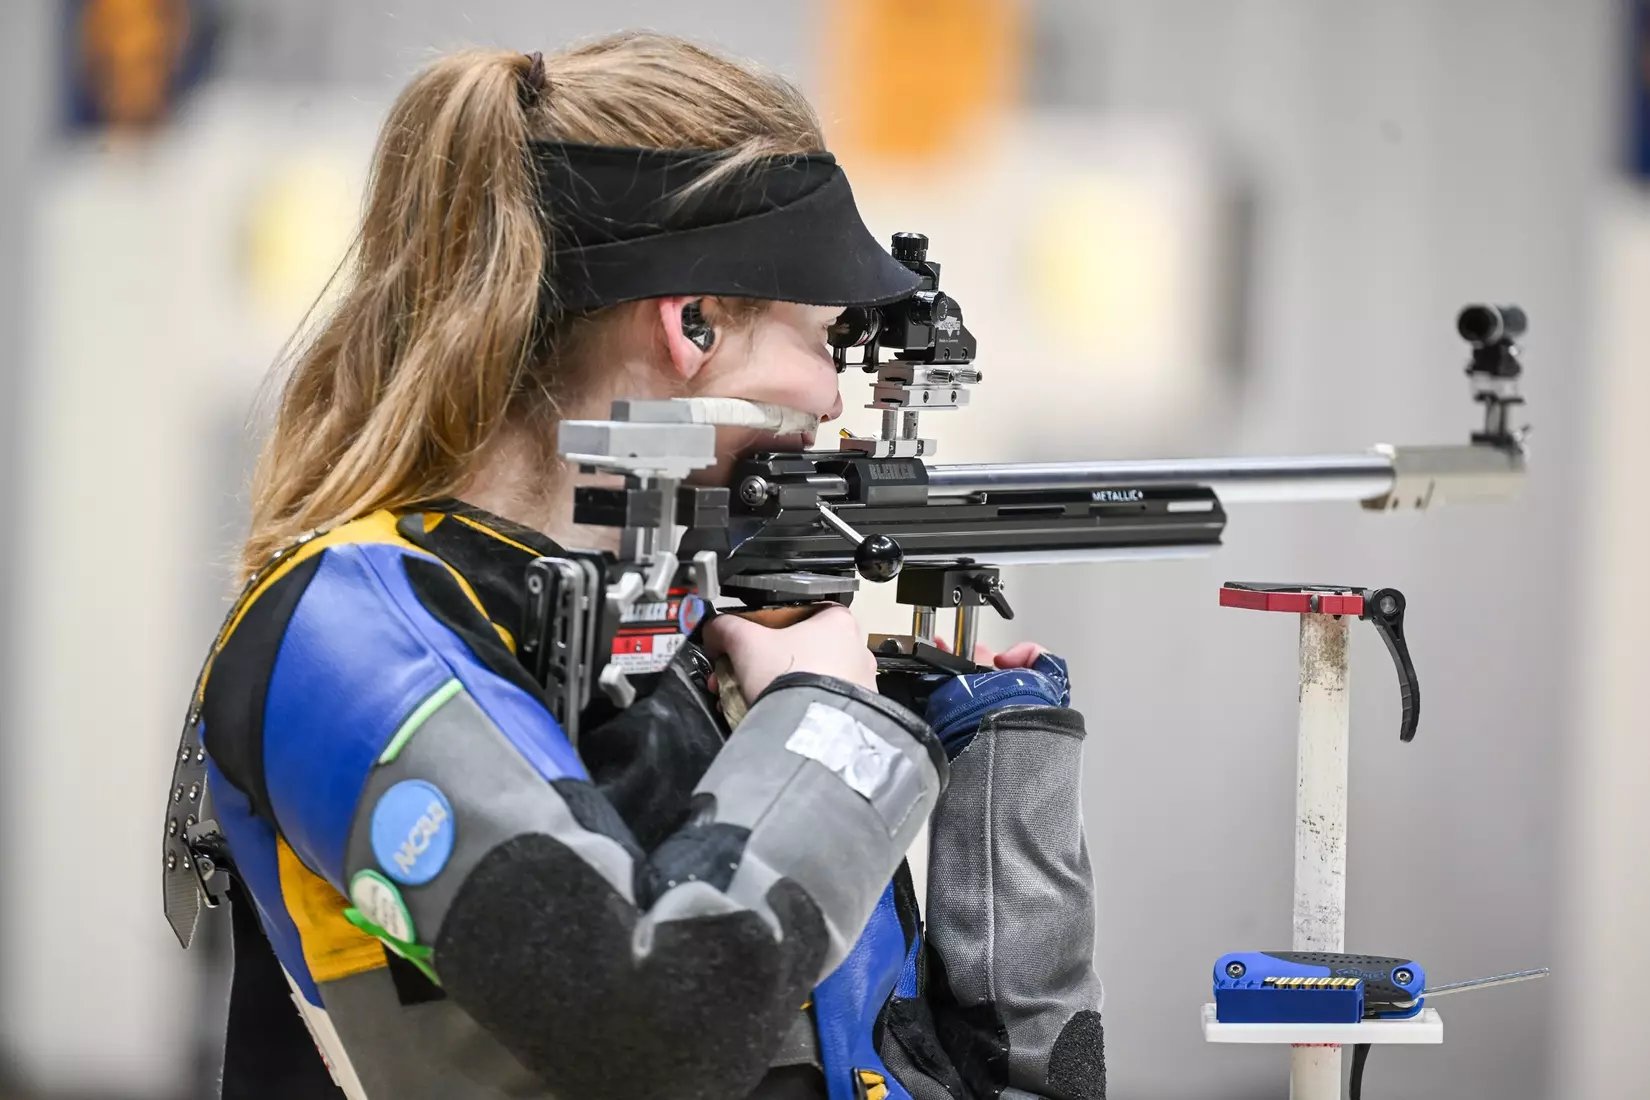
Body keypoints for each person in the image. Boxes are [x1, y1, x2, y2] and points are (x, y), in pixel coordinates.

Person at [171, 33, 1105, 1100]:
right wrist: (835, 731)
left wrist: (998, 775)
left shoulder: (681, 656)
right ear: (693, 324)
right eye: (817, 339)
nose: (831, 400)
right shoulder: (345, 623)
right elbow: (653, 1027)